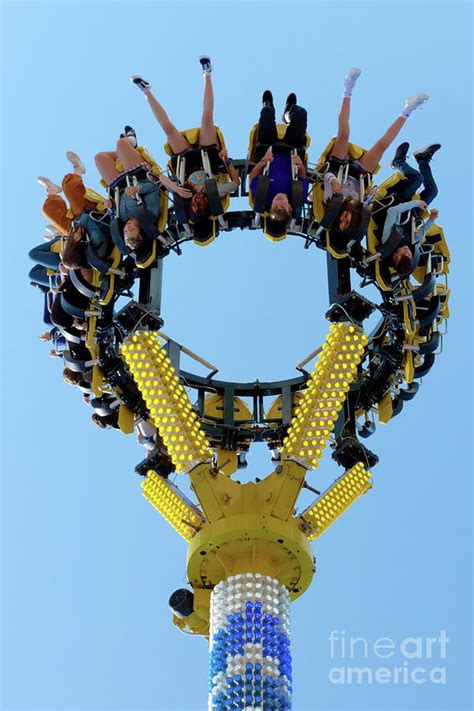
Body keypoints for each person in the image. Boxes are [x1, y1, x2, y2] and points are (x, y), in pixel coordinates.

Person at [130, 56, 240, 223]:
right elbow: (236, 184)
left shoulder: (183, 193)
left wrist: (175, 188)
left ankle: (146, 91)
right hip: (208, 158)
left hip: (186, 162)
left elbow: (161, 178)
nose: (197, 202)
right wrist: (227, 161)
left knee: (169, 130)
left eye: (194, 207)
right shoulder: (214, 192)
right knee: (207, 118)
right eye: (201, 206)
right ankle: (207, 74)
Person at [322, 67, 430, 237]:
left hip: (337, 167)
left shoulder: (330, 202)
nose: (345, 219)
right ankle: (408, 109)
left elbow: (326, 175)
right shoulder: (361, 206)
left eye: (341, 223)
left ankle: (348, 88)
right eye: (348, 223)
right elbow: (366, 190)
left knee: (343, 133)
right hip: (359, 172)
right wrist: (369, 191)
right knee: (382, 146)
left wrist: (334, 180)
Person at [248, 90, 309, 232]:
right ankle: (289, 112)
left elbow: (252, 177)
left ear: (270, 207)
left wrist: (263, 161)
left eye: (276, 206)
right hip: (291, 150)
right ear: (290, 207)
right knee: (301, 114)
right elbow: (303, 177)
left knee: (267, 112)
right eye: (283, 206)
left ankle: (269, 106)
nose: (279, 202)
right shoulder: (298, 196)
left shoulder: (263, 194)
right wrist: (300, 165)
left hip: (268, 150)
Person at [379, 142, 441, 274]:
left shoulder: (389, 241)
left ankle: (398, 161)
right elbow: (421, 234)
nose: (408, 252)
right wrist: (431, 219)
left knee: (417, 178)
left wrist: (416, 203)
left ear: (395, 256)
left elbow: (392, 212)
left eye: (404, 254)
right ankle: (422, 159)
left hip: (397, 201)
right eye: (410, 256)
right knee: (432, 191)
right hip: (412, 212)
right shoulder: (412, 246)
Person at [39, 151, 111, 259]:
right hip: (92, 214)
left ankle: (52, 190)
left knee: (47, 209)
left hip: (74, 227)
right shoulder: (96, 243)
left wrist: (72, 237)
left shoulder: (72, 246)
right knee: (69, 187)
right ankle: (78, 168)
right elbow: (86, 219)